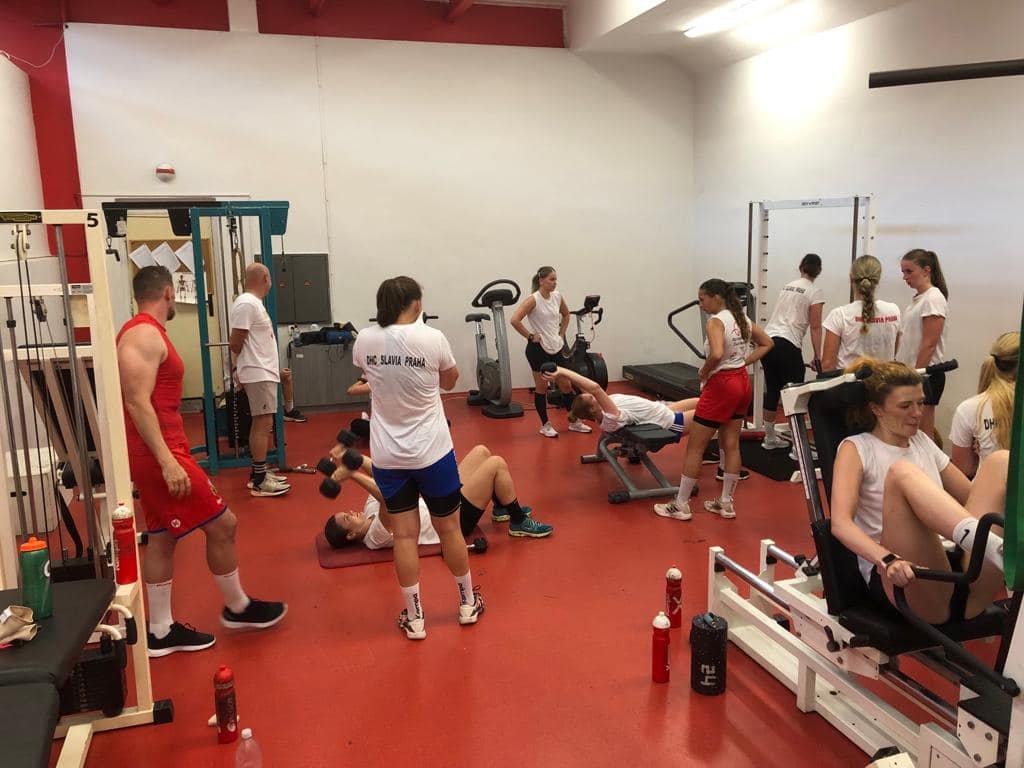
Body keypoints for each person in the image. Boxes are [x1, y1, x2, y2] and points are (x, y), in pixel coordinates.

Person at [117, 266, 286, 658]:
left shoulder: (145, 332)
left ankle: (160, 631)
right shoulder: (143, 334)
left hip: (161, 449)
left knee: (162, 537)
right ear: (168, 292)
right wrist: (167, 462)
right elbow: (136, 402)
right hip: (161, 453)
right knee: (224, 525)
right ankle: (238, 607)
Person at [352, 276, 483, 640]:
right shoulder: (432, 338)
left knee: (405, 537)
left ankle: (415, 618)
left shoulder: (364, 340)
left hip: (388, 456)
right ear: (415, 304)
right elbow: (450, 382)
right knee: (449, 529)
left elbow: (368, 374)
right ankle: (467, 603)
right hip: (432, 452)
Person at [829, 358, 1007, 624]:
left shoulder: (922, 441)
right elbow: (840, 524)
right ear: (876, 408)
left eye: (920, 403)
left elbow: (972, 497)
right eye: (905, 406)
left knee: (1000, 462)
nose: (917, 413)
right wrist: (887, 560)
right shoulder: (856, 448)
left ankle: (1002, 548)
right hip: (908, 578)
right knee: (901, 473)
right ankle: (998, 549)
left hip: (964, 577)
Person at [654, 280, 772, 521]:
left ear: (716, 297)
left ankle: (681, 504)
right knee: (731, 445)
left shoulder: (716, 321)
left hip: (722, 385)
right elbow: (767, 343)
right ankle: (726, 503)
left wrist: (704, 371)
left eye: (702, 299)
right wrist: (743, 363)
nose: (700, 304)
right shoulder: (741, 318)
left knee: (695, 447)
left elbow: (717, 353)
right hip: (742, 382)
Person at [324, 444, 552, 548]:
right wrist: (352, 474)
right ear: (351, 535)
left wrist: (352, 456)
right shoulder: (375, 537)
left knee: (481, 451)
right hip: (451, 520)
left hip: (440, 499)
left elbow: (381, 475)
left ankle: (502, 505)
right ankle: (518, 521)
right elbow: (386, 497)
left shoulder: (368, 512)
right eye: (347, 518)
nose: (351, 512)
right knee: (496, 464)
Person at [229, 263, 290, 497]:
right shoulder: (246, 303)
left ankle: (259, 473)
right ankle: (259, 480)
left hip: (263, 371)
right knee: (262, 423)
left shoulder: (254, 304)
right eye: (270, 278)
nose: (271, 283)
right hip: (258, 371)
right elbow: (235, 343)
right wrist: (239, 370)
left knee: (263, 423)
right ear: (265, 277)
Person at [509, 266, 591, 438]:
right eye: (551, 279)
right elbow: (515, 320)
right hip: (538, 350)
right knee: (542, 387)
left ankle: (574, 421)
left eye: (555, 279)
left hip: (556, 347)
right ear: (541, 280)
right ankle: (545, 425)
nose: (555, 283)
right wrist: (530, 336)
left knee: (566, 385)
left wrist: (561, 333)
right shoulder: (533, 299)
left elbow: (566, 315)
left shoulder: (557, 296)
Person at [760, 254, 825, 450]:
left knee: (773, 390)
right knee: (795, 397)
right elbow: (816, 326)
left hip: (768, 341)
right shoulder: (815, 291)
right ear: (819, 271)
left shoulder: (788, 286)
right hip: (788, 344)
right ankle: (798, 449)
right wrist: (818, 356)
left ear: (801, 267)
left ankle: (769, 438)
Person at [896, 248, 949, 442]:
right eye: (903, 272)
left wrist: (917, 376)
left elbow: (929, 343)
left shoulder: (933, 298)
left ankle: (931, 462)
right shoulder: (918, 300)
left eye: (909, 271)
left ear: (926, 271)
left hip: (926, 376)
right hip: (911, 374)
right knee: (910, 434)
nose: (905, 277)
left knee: (923, 436)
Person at [950, 332, 1019, 478]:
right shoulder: (970, 409)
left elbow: (964, 470)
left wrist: (981, 455)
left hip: (987, 489)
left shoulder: (968, 408)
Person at [821, 255, 902, 374]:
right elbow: (894, 352)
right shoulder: (894, 311)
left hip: (849, 383)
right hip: (884, 382)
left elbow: (828, 365)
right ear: (878, 279)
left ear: (851, 278)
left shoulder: (839, 315)